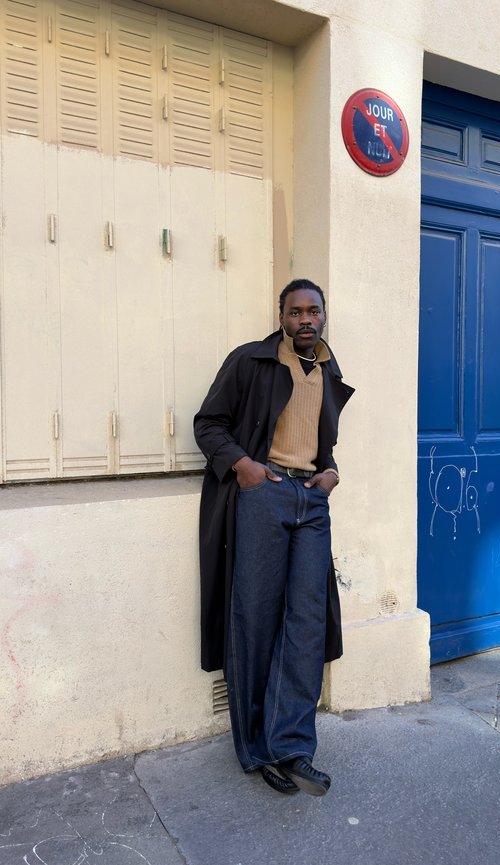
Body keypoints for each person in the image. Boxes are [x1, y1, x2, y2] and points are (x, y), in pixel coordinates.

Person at [193, 278, 354, 796]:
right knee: (256, 617)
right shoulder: (252, 361)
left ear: (324, 315)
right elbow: (208, 424)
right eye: (295, 311)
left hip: (312, 500)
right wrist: (244, 467)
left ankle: (293, 748)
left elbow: (320, 440)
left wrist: (330, 472)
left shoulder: (328, 370)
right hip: (265, 493)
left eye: (313, 311)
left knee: (307, 619)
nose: (305, 319)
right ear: (281, 316)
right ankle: (257, 749)